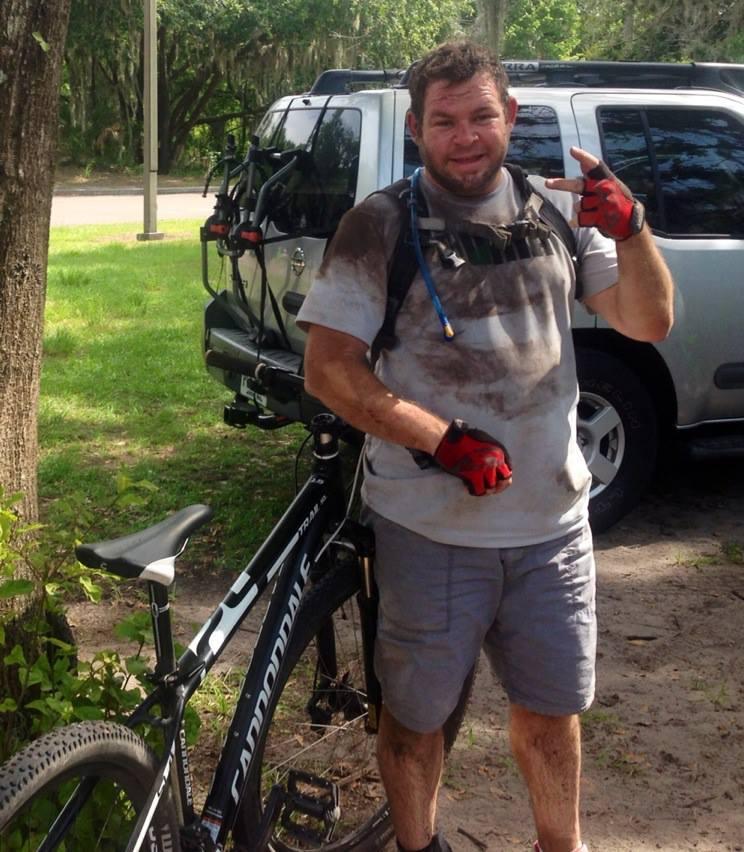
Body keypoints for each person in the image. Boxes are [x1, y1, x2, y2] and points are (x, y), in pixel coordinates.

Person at [296, 40, 674, 852]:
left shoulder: (556, 213)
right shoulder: (378, 225)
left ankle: (559, 846)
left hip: (553, 529)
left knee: (551, 713)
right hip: (428, 530)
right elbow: (327, 370)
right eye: (444, 121)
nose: (465, 136)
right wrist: (442, 440)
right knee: (416, 721)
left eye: (481, 116)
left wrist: (633, 230)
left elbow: (648, 321)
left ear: (510, 116)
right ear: (416, 129)